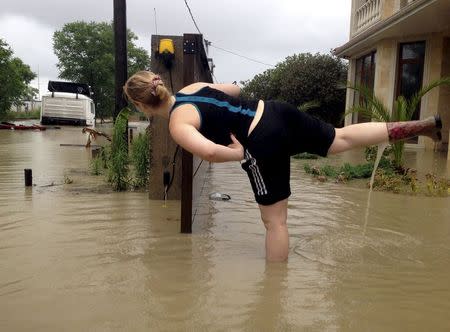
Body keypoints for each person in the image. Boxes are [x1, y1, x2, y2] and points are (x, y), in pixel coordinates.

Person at [123, 70, 442, 262]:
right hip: (274, 110)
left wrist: (241, 155)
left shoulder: (178, 124)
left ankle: (274, 292)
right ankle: (417, 126)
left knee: (275, 223)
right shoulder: (191, 89)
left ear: (141, 105)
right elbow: (234, 90)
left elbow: (209, 153)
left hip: (261, 139)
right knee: (341, 137)